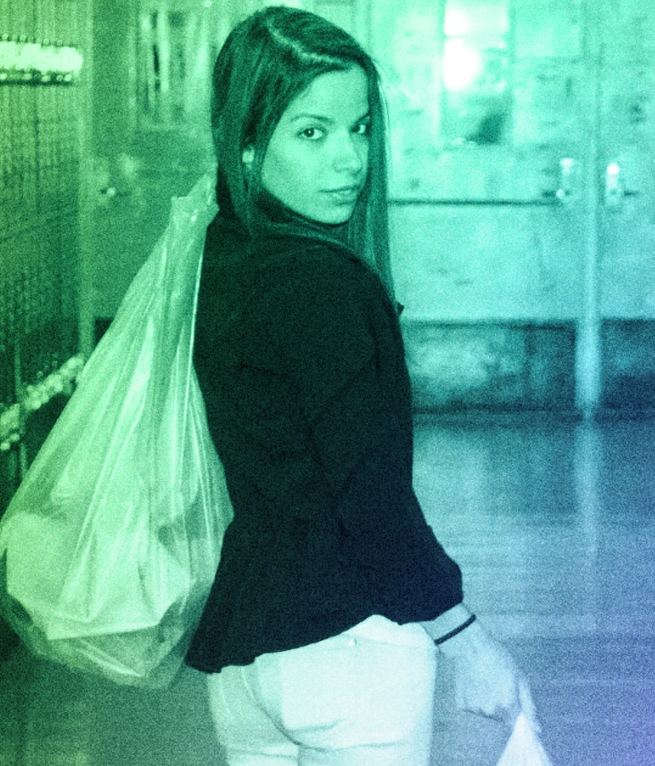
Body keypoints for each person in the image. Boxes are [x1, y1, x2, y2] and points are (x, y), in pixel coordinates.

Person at [186, 7, 529, 765]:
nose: (350, 160)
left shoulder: (221, 259)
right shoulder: (324, 284)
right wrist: (462, 637)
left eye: (360, 129)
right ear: (247, 143)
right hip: (349, 657)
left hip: (248, 660)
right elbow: (369, 498)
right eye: (313, 132)